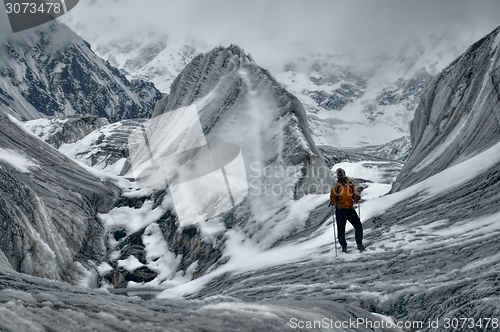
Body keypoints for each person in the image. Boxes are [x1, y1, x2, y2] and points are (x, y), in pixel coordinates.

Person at [330, 168, 364, 252]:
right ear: (337, 176)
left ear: (344, 174)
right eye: (339, 175)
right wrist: (332, 201)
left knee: (358, 226)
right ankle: (344, 246)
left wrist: (356, 197)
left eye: (342, 174)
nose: (341, 176)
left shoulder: (350, 185)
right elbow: (332, 197)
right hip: (340, 210)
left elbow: (354, 195)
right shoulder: (335, 187)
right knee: (341, 230)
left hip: (349, 209)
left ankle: (359, 243)